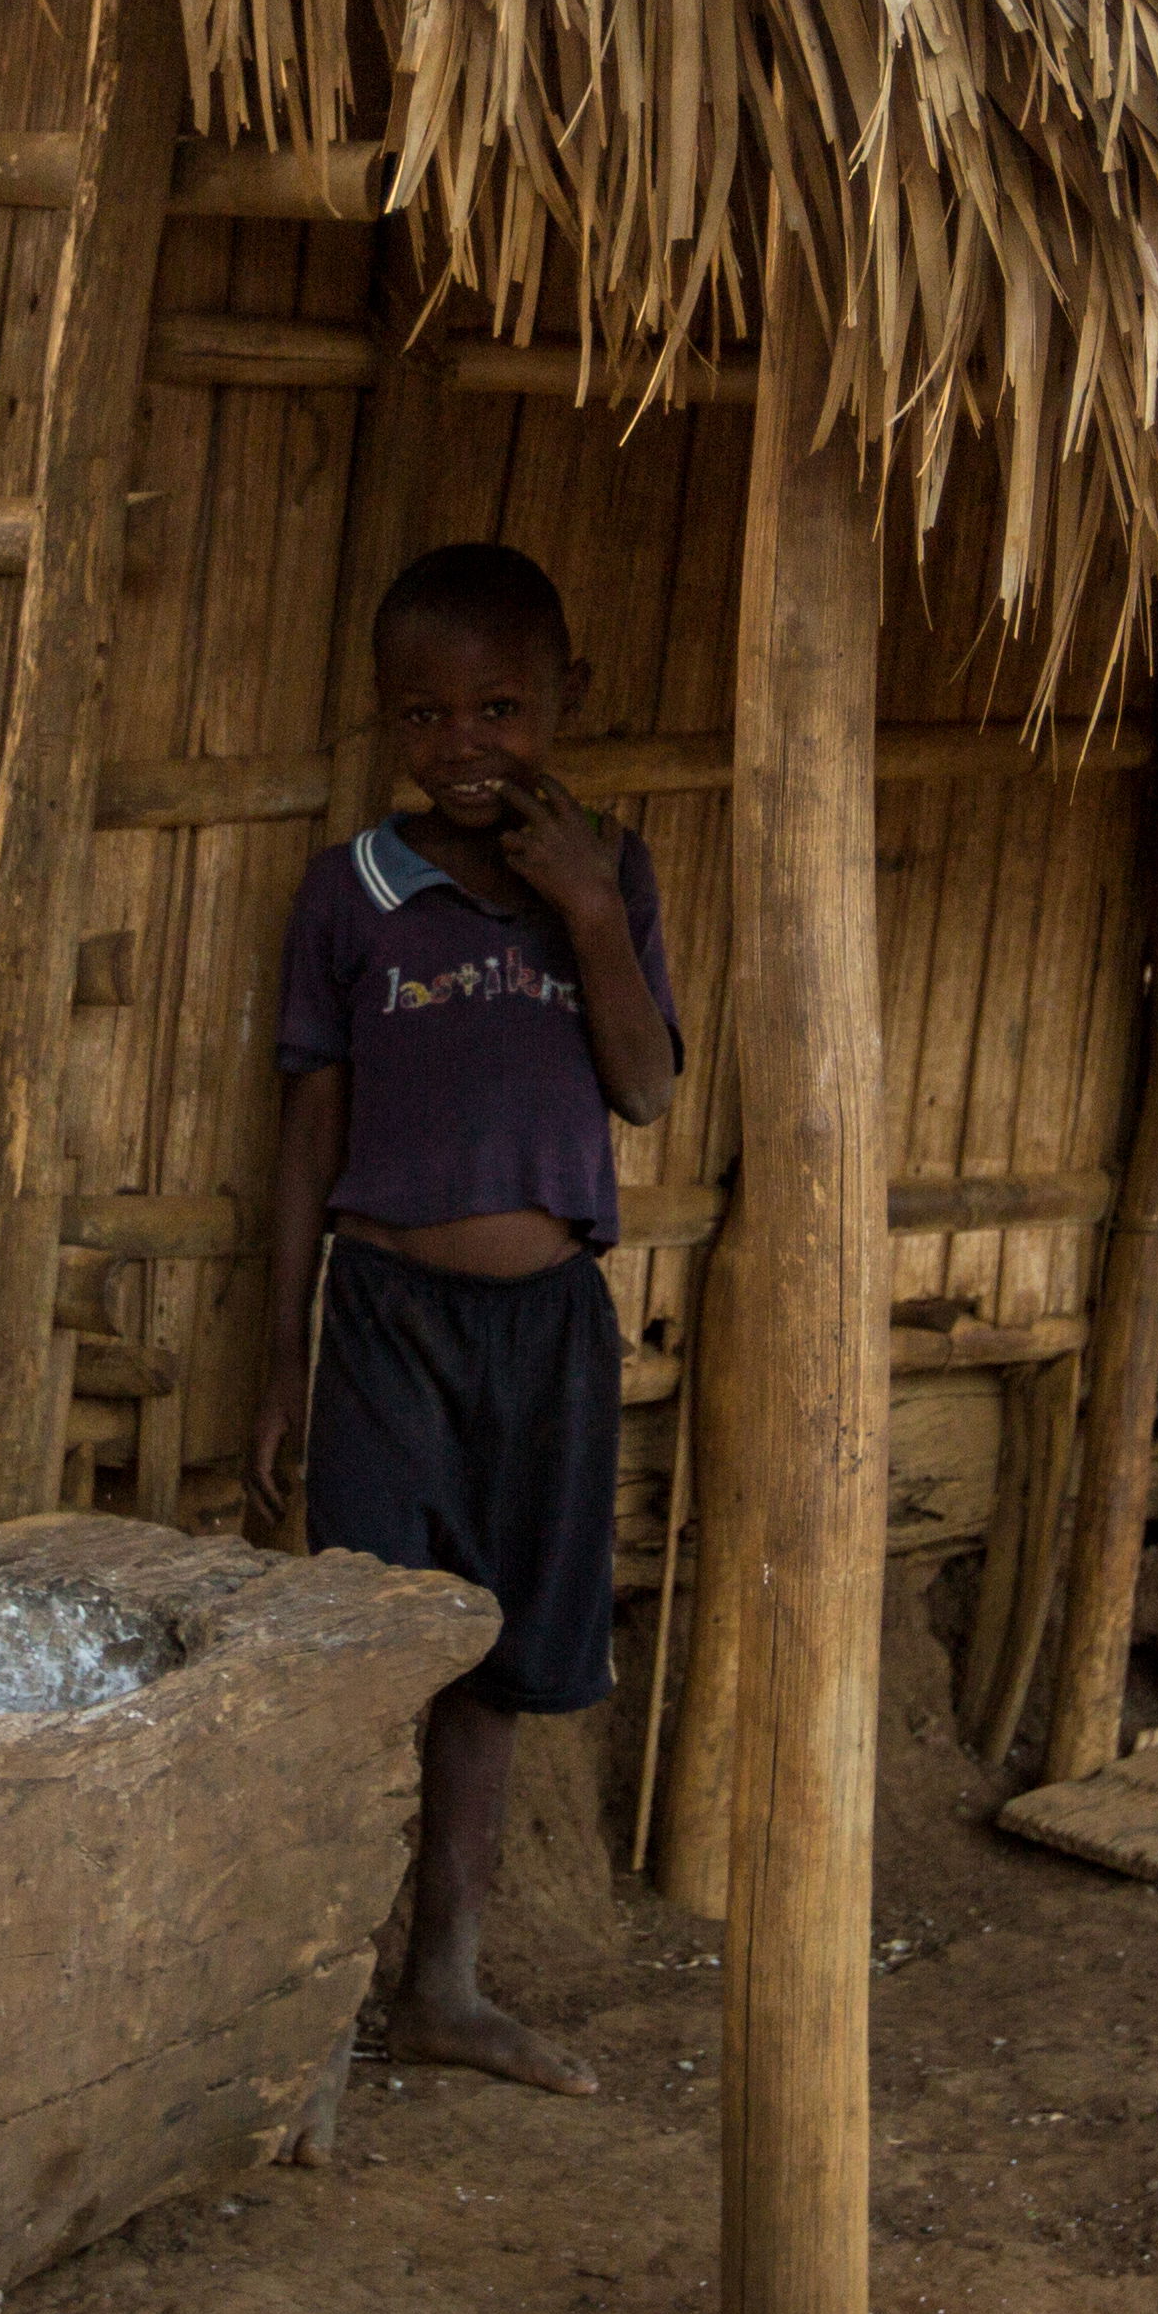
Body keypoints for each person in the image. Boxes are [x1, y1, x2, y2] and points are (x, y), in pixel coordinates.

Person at [249, 541, 681, 2093]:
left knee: (494, 1666)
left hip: (551, 1333)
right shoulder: (351, 892)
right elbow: (309, 1129)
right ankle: (305, 1997)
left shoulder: (611, 877)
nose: (465, 746)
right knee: (374, 1650)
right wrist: (282, 1358)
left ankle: (444, 1987)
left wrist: (586, 911)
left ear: (566, 701)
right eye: (424, 718)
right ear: (384, 725)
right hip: (382, 1323)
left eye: (502, 708)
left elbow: (642, 1088)